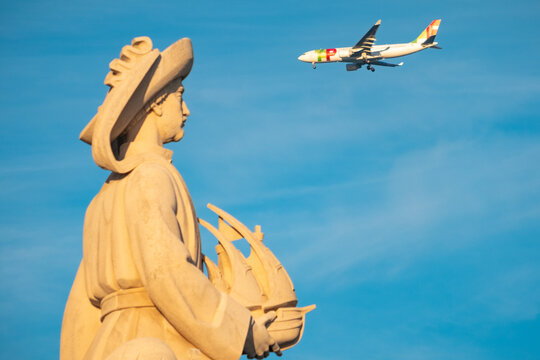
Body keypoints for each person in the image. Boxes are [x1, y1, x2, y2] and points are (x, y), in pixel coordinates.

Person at [60, 36, 280, 360]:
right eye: (180, 96)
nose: (187, 109)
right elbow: (167, 274)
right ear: (156, 103)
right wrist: (242, 330)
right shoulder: (152, 176)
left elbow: (79, 312)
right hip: (156, 338)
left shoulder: (102, 199)